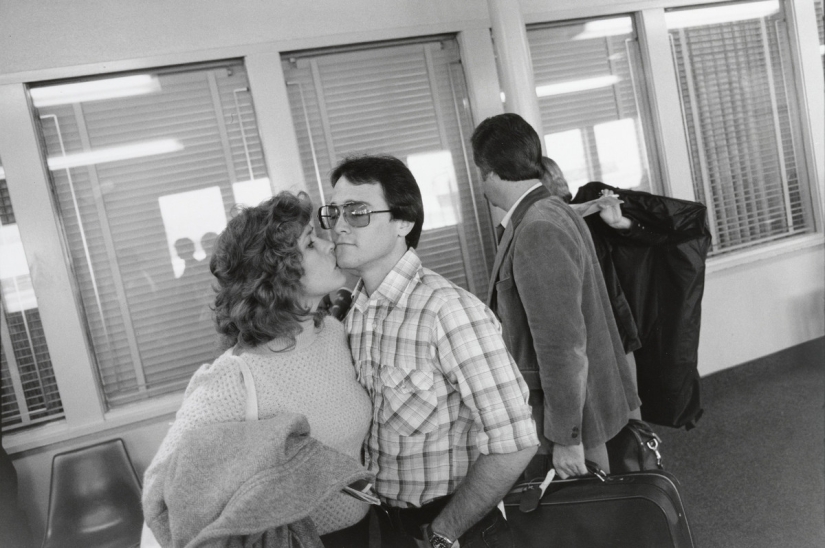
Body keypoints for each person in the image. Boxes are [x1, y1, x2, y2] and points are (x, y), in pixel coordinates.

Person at [319, 154, 539, 548]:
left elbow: (515, 442)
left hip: (454, 524)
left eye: (357, 212)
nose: (338, 226)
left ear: (403, 222)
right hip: (384, 523)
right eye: (333, 212)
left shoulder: (447, 311)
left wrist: (444, 532)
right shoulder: (351, 312)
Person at [142, 192, 373, 548]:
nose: (331, 245)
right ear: (277, 274)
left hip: (366, 533)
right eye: (311, 242)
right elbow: (159, 486)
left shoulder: (331, 334)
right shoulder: (235, 377)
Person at [471, 113, 640, 479]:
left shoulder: (538, 227)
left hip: (568, 416)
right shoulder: (551, 210)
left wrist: (567, 436)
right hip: (581, 404)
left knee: (587, 522)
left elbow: (563, 346)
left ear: (489, 171)